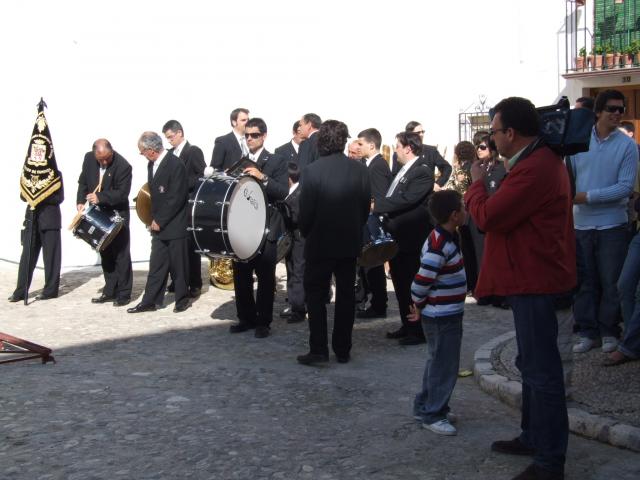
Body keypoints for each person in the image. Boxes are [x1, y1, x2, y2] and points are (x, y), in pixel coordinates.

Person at [465, 96, 576, 480]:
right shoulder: (536, 161)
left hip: (536, 280)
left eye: (495, 131)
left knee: (542, 372)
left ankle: (549, 461)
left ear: (510, 132)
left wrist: (477, 186)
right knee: (531, 365)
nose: (492, 139)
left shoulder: (536, 168)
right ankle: (533, 437)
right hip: (530, 278)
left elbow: (488, 217)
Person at [570, 89, 638, 354]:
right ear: (598, 112)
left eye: (621, 109)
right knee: (584, 282)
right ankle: (588, 332)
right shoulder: (579, 141)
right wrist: (573, 198)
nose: (617, 114)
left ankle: (610, 330)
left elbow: (624, 187)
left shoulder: (627, 145)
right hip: (580, 224)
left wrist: (586, 197)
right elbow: (570, 177)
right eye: (612, 109)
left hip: (612, 223)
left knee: (611, 281)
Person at [297, 120, 370, 365]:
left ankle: (318, 349)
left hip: (319, 242)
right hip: (348, 241)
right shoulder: (360, 170)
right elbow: (364, 208)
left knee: (316, 296)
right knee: (346, 296)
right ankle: (343, 348)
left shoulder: (312, 171)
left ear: (321, 142)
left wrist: (307, 232)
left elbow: (305, 212)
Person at [409, 189, 467, 436]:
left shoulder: (447, 238)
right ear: (454, 215)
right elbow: (421, 280)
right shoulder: (439, 244)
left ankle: (426, 404)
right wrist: (418, 304)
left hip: (445, 312)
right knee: (444, 365)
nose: (466, 212)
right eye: (463, 208)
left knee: (437, 361)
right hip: (442, 315)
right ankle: (434, 413)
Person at [227, 117, 288, 338]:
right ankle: (245, 318)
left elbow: (282, 192)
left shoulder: (277, 160)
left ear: (264, 136)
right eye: (247, 135)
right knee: (241, 274)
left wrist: (262, 177)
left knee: (265, 276)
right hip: (242, 225)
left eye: (254, 135)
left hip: (266, 226)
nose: (250, 139)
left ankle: (264, 321)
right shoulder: (239, 161)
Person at [374, 132, 434, 345]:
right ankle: (407, 324)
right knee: (400, 283)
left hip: (411, 237)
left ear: (408, 148)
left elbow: (407, 200)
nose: (395, 150)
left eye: (398, 146)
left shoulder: (422, 171)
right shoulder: (404, 170)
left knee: (411, 283)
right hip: (398, 236)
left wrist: (376, 206)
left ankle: (417, 330)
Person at [127, 131, 190, 314]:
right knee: (156, 264)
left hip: (174, 223)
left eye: (142, 151)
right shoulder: (151, 165)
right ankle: (150, 300)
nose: (142, 155)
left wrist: (160, 220)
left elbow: (176, 197)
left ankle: (182, 299)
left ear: (151, 150)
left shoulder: (175, 164)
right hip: (158, 225)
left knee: (179, 265)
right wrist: (151, 219)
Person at [76, 139, 133, 306]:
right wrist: (80, 200)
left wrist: (100, 197)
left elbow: (122, 194)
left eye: (107, 158)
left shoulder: (123, 166)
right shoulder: (88, 159)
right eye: (100, 159)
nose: (104, 162)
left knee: (121, 254)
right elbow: (83, 182)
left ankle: (124, 293)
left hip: (116, 214)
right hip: (98, 213)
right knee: (105, 252)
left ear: (112, 152)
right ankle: (110, 290)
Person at [162, 120, 206, 297]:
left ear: (179, 133)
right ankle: (178, 280)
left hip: (188, 203)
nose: (169, 141)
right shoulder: (169, 154)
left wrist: (181, 185)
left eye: (171, 137)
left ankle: (195, 282)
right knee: (175, 245)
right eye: (167, 138)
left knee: (190, 245)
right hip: (173, 206)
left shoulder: (193, 151)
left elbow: (201, 174)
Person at [355, 128, 392, 319]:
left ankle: (379, 304)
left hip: (373, 223)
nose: (358, 147)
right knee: (368, 265)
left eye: (360, 143)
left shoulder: (377, 165)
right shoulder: (367, 163)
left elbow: (379, 197)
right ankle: (374, 301)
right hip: (366, 222)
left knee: (374, 265)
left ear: (371, 144)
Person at [10, 179, 64, 302]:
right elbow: (23, 196)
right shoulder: (29, 174)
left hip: (50, 220)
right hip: (32, 220)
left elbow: (59, 198)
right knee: (27, 257)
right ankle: (20, 291)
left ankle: (50, 290)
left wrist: (41, 195)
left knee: (51, 257)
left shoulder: (56, 174)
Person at [391, 122, 451, 189]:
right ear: (410, 135)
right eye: (418, 132)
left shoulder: (431, 151)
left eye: (423, 132)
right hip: (407, 195)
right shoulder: (399, 153)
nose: (421, 134)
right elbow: (395, 175)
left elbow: (447, 168)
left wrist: (438, 184)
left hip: (428, 195)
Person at [282, 162, 306, 324]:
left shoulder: (298, 193)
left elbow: (297, 217)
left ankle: (299, 308)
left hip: (300, 238)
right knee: (290, 268)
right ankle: (294, 302)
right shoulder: (292, 192)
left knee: (298, 271)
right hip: (292, 238)